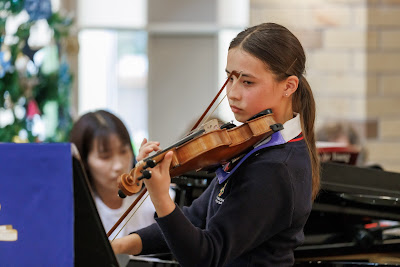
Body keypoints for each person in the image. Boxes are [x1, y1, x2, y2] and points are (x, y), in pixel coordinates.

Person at [111, 22, 320, 266]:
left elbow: (207, 256)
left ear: (289, 86)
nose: (232, 93)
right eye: (229, 78)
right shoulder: (253, 144)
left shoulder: (276, 166)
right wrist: (118, 244)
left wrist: (160, 198)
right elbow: (196, 217)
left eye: (247, 82)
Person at [69, 109, 175, 240]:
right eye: (105, 156)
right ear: (84, 161)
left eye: (124, 151)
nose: (118, 166)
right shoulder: (72, 209)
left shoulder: (159, 198)